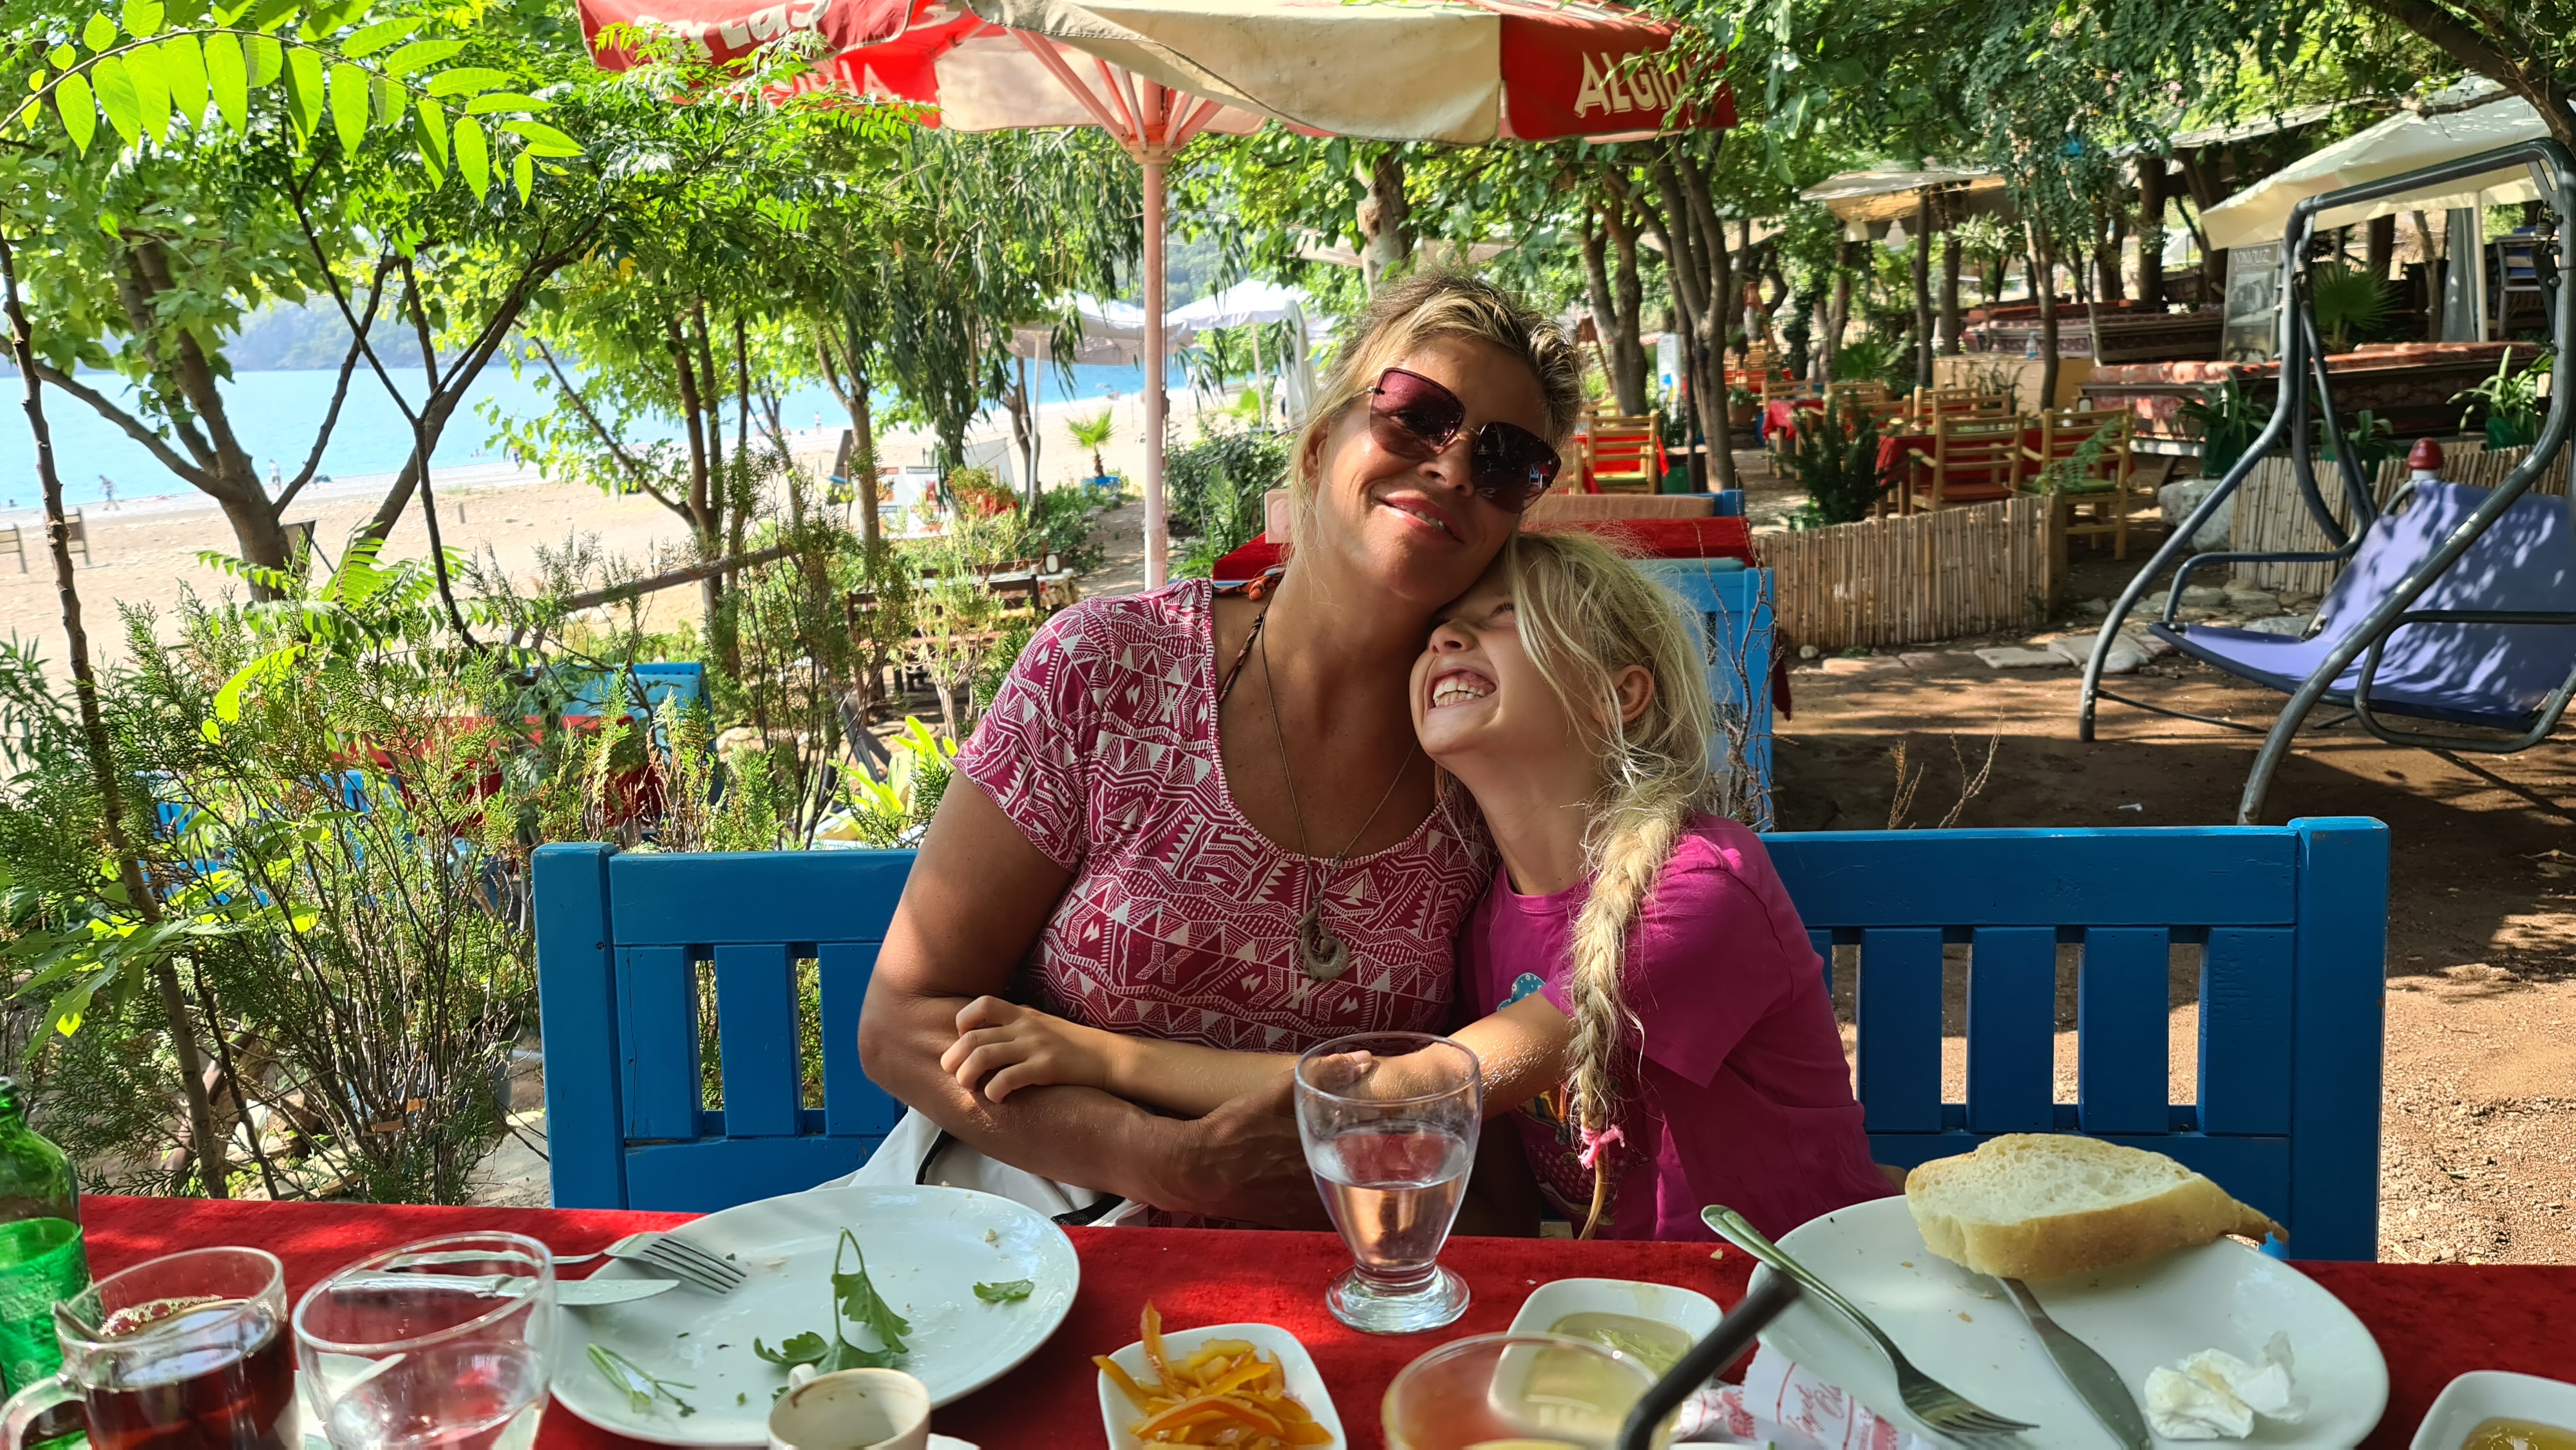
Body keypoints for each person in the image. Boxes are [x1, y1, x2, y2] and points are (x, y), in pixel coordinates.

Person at [853, 272, 1585, 1226]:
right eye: (1416, 416)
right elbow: (903, 1024)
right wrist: (1161, 1163)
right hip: (1030, 1244)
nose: (1452, 469)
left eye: (1506, 462)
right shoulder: (1108, 668)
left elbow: (1498, 1084)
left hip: (1319, 1274)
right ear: (1320, 446)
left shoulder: (1486, 755)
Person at [943, 531, 1893, 1243]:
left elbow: (1407, 1091)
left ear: (1618, 694)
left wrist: (1101, 1057)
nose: (1448, 641)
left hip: (1803, 1300)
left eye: (1502, 619)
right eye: (1441, 631)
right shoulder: (1482, 917)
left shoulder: (1696, 888)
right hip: (1630, 1309)